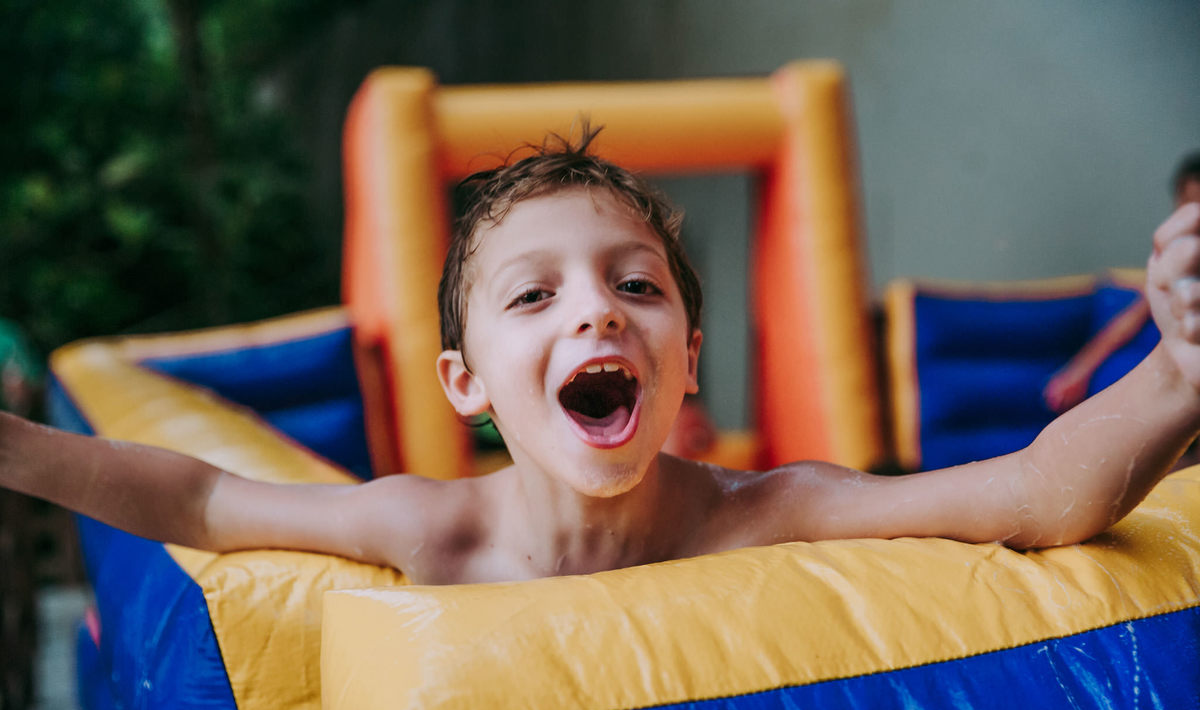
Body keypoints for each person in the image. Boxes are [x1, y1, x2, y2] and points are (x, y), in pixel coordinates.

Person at [3, 129, 1200, 586]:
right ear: (464, 382)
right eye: (535, 294)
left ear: (687, 361)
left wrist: (1177, 373)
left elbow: (1038, 497)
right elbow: (206, 493)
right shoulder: (433, 531)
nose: (599, 314)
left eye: (638, 286)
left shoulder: (775, 505)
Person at [1044, 149, 1200, 413]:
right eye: (1186, 202)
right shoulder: (1171, 262)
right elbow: (1130, 320)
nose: (1193, 215)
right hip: (1136, 383)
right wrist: (1078, 371)